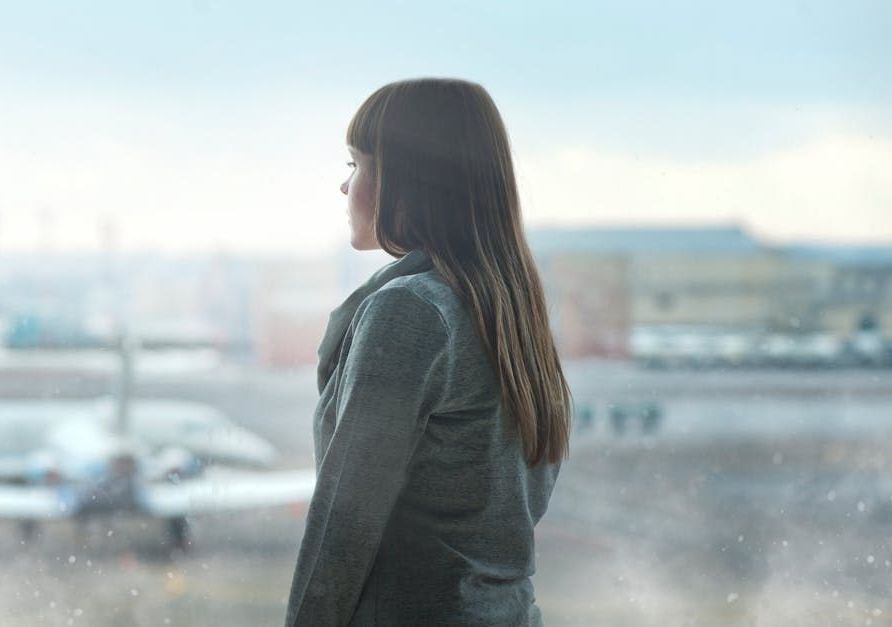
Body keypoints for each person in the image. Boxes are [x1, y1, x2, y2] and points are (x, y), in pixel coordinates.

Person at [284, 78, 573, 626]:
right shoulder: (507, 311)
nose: (345, 188)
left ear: (405, 178)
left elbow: (343, 525)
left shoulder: (411, 311)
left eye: (356, 164)